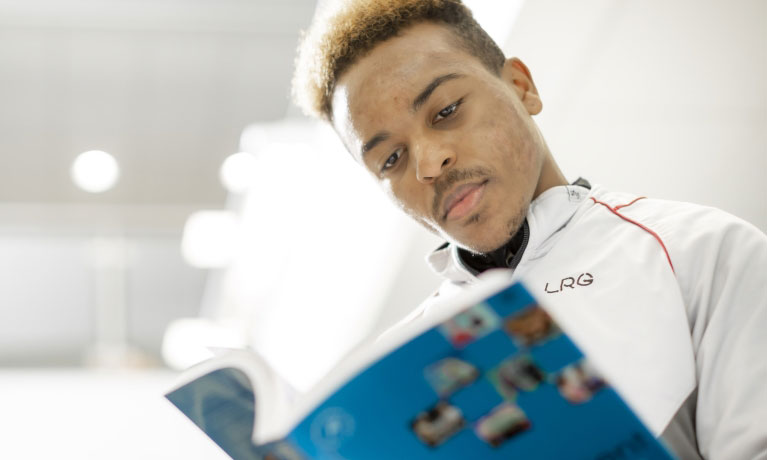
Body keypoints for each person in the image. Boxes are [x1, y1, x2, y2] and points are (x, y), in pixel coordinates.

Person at [291, 1, 767, 459]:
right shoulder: (400, 368)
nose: (429, 164)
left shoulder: (698, 253)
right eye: (390, 159)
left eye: (446, 110)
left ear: (521, 87)